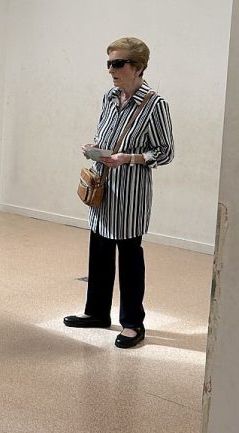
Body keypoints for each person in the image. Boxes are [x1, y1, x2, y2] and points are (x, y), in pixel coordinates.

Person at [63, 37, 174, 348]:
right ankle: (96, 312)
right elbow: (105, 133)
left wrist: (130, 158)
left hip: (130, 194)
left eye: (118, 63)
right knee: (98, 252)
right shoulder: (110, 97)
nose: (111, 69)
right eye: (109, 63)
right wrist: (94, 149)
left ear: (138, 67)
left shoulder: (155, 105)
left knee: (129, 257)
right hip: (103, 188)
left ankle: (132, 323)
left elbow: (165, 153)